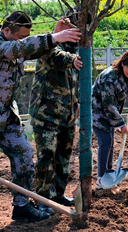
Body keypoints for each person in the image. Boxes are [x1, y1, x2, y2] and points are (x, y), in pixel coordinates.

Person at [0, 11, 81, 228]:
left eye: (26, 37)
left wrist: (54, 35)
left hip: (5, 116)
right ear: (6, 31)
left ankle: (22, 205)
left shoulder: (17, 44)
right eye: (19, 37)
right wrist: (52, 39)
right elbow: (13, 49)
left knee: (24, 152)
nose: (22, 41)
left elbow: (28, 50)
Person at [29, 11, 84, 214]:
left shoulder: (76, 49)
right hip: (46, 114)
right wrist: (74, 59)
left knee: (63, 156)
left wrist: (76, 102)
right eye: (75, 28)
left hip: (66, 114)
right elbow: (59, 59)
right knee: (46, 157)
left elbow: (75, 80)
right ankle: (42, 198)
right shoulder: (50, 44)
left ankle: (58, 194)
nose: (78, 33)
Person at [92, 50, 128, 189]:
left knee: (110, 143)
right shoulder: (109, 78)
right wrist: (121, 124)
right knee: (106, 142)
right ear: (122, 63)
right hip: (97, 111)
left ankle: (108, 175)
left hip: (111, 114)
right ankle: (101, 177)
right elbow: (108, 104)